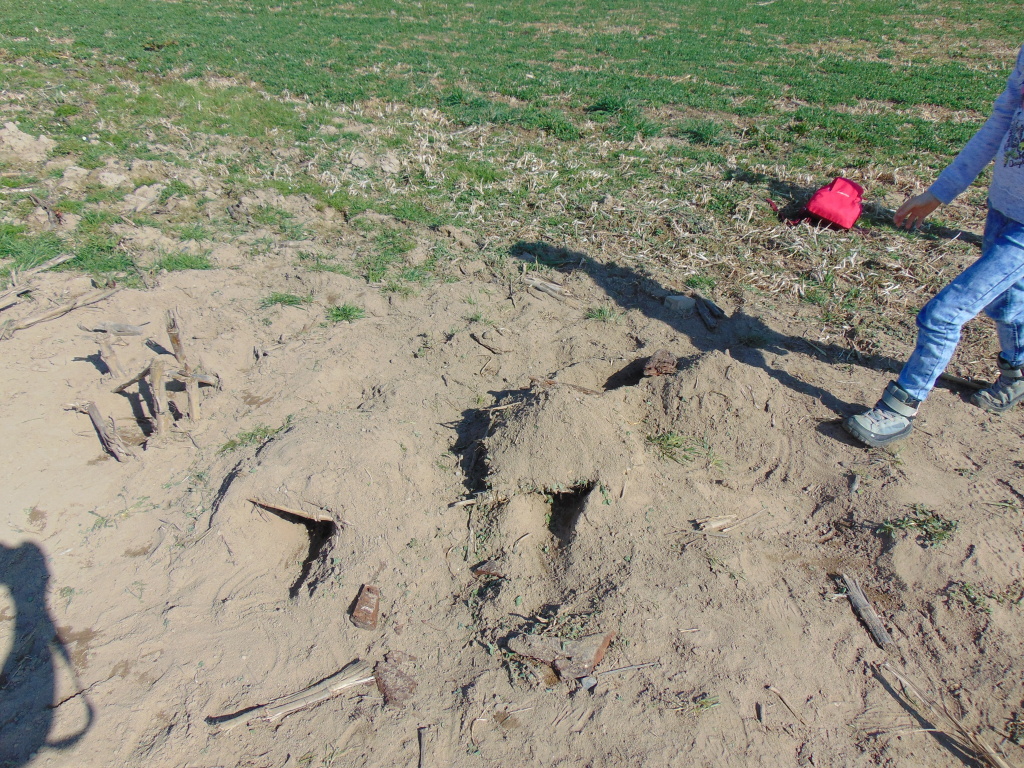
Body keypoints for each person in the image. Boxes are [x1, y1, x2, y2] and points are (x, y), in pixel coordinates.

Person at [844, 45, 1024, 448]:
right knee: (1006, 304)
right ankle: (1017, 372)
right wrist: (941, 192)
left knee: (943, 314)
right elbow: (1000, 122)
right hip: (1002, 207)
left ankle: (900, 408)